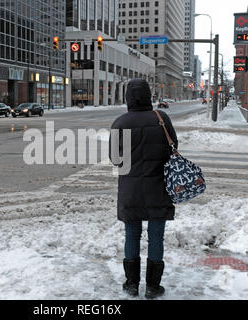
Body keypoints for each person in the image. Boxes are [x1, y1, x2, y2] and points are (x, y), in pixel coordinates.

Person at [109, 79, 178, 299]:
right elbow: (173, 147)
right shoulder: (161, 119)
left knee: (132, 235)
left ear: (128, 97)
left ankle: (131, 284)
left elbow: (115, 159)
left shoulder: (120, 122)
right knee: (156, 236)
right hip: (158, 186)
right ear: (149, 95)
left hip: (131, 189)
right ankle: (152, 286)